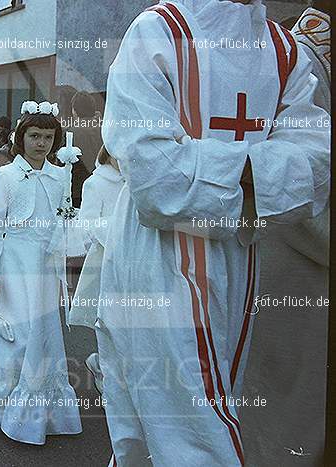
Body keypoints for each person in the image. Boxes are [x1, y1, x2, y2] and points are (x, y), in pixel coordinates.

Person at [99, 1, 330, 465]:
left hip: (239, 258)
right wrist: (258, 176)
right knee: (176, 433)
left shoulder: (286, 51)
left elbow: (316, 167)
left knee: (200, 417)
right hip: (154, 256)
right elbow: (154, 180)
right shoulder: (157, 31)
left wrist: (202, 164)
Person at [242, 3, 331, 465]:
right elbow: (299, 182)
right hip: (296, 266)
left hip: (286, 259)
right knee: (286, 421)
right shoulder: (303, 57)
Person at [0, 101, 83, 445]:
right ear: (21, 138)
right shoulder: (3, 176)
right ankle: (7, 405)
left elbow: (63, 224)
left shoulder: (60, 176)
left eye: (48, 137)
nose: (41, 143)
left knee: (44, 336)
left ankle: (42, 414)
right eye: (35, 136)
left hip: (45, 268)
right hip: (14, 267)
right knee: (16, 336)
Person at [68, 146, 123, 395]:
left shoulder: (136, 181)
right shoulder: (95, 182)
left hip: (134, 261)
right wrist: (117, 229)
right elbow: (87, 225)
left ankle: (107, 368)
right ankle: (105, 372)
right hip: (104, 261)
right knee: (107, 321)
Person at [68, 91, 103, 208]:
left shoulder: (70, 132)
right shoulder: (105, 130)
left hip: (77, 188)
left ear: (74, 110)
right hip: (102, 185)